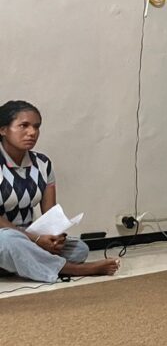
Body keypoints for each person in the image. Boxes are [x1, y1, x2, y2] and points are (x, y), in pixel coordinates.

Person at [0, 100, 120, 282]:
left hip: (27, 236)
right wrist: (35, 239)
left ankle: (19, 263)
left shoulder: (43, 164)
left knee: (79, 249)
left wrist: (55, 236)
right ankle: (74, 270)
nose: (32, 132)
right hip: (8, 236)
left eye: (36, 127)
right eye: (24, 126)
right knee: (8, 242)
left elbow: (50, 213)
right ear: (3, 130)